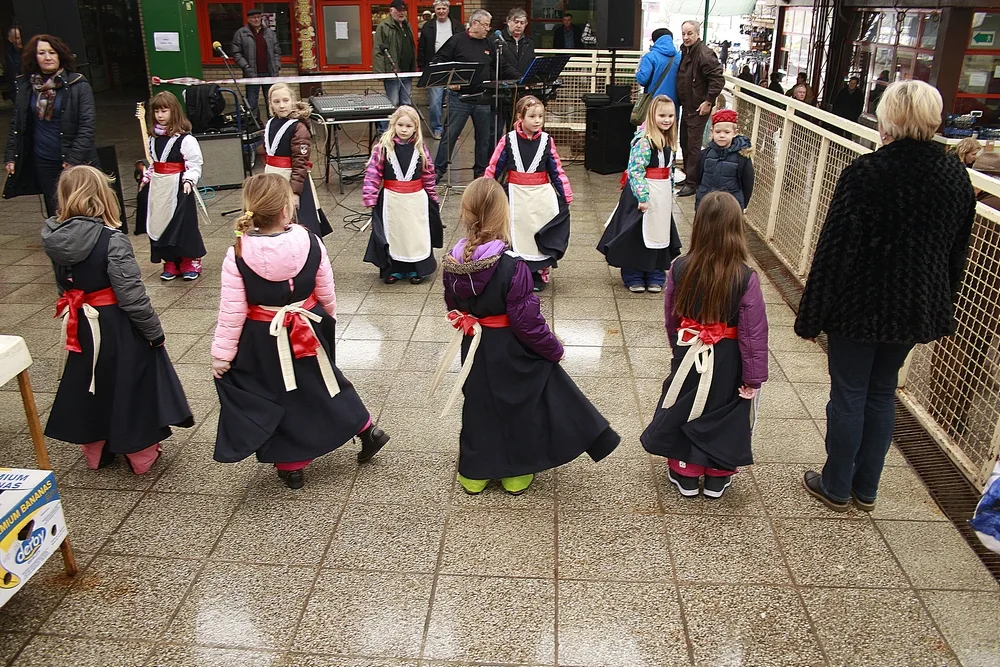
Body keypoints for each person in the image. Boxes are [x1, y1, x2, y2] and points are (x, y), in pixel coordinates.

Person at [795, 80, 976, 512]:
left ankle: (836, 484)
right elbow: (957, 251)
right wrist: (941, 302)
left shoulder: (867, 173)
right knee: (881, 392)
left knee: (849, 392)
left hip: (859, 307)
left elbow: (834, 251)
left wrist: (812, 314)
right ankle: (867, 487)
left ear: (888, 119)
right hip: (914, 307)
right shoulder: (955, 175)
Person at [434, 178, 620, 495]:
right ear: (501, 216)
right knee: (518, 403)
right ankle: (515, 472)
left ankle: (475, 473)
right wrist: (553, 349)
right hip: (509, 348)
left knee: (478, 403)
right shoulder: (512, 266)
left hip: (474, 346)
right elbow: (527, 322)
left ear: (466, 215)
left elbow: (452, 305)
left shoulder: (453, 263)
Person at [212, 174, 391, 490]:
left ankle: (292, 464)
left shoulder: (238, 253)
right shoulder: (311, 241)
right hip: (309, 325)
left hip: (263, 335)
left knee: (278, 393)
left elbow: (232, 311)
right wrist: (326, 321)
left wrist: (222, 355)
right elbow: (326, 290)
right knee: (327, 381)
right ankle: (367, 429)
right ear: (286, 210)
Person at [42, 166, 193, 475]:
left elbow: (64, 287)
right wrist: (153, 331)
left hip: (82, 324)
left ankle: (96, 451)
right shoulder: (111, 239)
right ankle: (140, 454)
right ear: (102, 198)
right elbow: (131, 295)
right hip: (117, 325)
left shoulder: (54, 238)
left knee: (88, 383)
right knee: (130, 383)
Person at [641, 191, 768, 498]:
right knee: (724, 410)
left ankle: (686, 470)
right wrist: (753, 377)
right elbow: (754, 332)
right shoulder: (745, 276)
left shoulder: (681, 267)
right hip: (729, 357)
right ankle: (717, 475)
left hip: (689, 351)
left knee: (686, 405)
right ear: (736, 229)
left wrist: (678, 347)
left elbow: (672, 316)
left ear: (698, 227)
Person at [4, 34, 98, 217]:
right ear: (34, 57)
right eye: (41, 53)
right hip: (43, 159)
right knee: (55, 208)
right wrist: (11, 155)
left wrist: (73, 159)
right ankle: (61, 242)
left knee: (81, 207)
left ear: (60, 55)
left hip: (73, 159)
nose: (47, 57)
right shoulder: (26, 86)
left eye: (52, 52)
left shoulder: (78, 84)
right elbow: (18, 123)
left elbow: (87, 125)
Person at [485, 95, 572, 292]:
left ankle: (538, 272)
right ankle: (516, 272)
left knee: (537, 232)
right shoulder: (508, 140)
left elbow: (556, 170)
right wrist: (486, 189)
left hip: (540, 195)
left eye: (540, 116)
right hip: (516, 194)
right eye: (532, 116)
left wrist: (565, 193)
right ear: (520, 117)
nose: (537, 120)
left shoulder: (547, 141)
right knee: (516, 233)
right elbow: (495, 166)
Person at [598, 95, 682, 292]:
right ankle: (633, 272)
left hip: (661, 195)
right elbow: (635, 170)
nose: (667, 119)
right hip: (642, 194)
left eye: (670, 115)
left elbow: (670, 170)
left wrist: (669, 193)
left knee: (660, 232)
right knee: (635, 233)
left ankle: (655, 271)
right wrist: (642, 197)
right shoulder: (644, 141)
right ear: (653, 116)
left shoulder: (669, 142)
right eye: (662, 115)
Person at [432, 9, 520, 181]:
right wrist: (449, 81)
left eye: (489, 25)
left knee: (484, 139)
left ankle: (481, 171)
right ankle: (438, 170)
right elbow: (438, 61)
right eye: (485, 24)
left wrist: (521, 78)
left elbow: (502, 66)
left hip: (483, 98)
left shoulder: (490, 44)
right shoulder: (456, 41)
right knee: (450, 136)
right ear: (474, 24)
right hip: (460, 99)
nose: (488, 28)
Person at [363, 105, 443, 284]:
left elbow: (428, 174)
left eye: (409, 126)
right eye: (400, 125)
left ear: (415, 127)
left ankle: (417, 269)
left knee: (415, 234)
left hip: (415, 200)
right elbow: (373, 173)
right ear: (393, 125)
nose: (404, 129)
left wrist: (432, 197)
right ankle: (396, 268)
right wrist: (370, 195)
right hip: (392, 199)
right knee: (395, 234)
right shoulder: (383, 147)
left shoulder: (420, 148)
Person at [134, 92, 206, 281]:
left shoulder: (185, 139)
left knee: (182, 225)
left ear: (173, 111)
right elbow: (154, 162)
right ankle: (170, 261)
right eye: (157, 111)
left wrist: (189, 179)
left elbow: (194, 162)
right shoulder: (153, 138)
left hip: (179, 186)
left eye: (164, 110)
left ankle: (190, 261)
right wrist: (147, 178)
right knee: (160, 223)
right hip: (159, 187)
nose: (160, 115)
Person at [264, 84, 332, 238]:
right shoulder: (271, 123)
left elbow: (300, 162)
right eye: (276, 102)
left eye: (285, 100)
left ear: (292, 101)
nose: (281, 105)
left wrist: (295, 192)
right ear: (271, 104)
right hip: (273, 178)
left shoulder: (298, 127)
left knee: (300, 222)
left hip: (292, 179)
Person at [676, 21, 725, 198]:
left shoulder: (704, 54)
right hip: (688, 106)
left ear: (697, 34)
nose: (686, 37)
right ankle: (690, 177)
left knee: (693, 145)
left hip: (697, 107)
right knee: (685, 143)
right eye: (683, 34)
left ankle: (692, 182)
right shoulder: (687, 51)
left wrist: (708, 101)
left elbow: (718, 79)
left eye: (689, 33)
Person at [417, 0, 462, 140]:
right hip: (435, 67)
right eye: (438, 8)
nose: (441, 11)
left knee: (453, 101)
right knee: (435, 101)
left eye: (443, 8)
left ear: (448, 9)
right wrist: (423, 67)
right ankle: (437, 128)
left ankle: (451, 129)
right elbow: (422, 48)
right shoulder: (427, 26)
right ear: (434, 10)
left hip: (453, 67)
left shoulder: (457, 26)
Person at [696, 108, 754, 211]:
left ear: (735, 133)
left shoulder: (742, 158)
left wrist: (742, 205)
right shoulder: (705, 154)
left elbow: (747, 183)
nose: (722, 135)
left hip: (730, 207)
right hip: (706, 204)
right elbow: (698, 179)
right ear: (712, 131)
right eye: (718, 132)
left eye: (727, 132)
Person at [373, 0, 416, 134]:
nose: (402, 12)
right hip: (392, 71)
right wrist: (380, 72)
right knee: (393, 102)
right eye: (398, 10)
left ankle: (403, 129)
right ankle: (384, 129)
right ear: (391, 11)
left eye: (403, 10)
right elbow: (378, 50)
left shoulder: (407, 26)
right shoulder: (384, 26)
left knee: (405, 102)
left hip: (407, 71)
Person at [231, 8, 281, 121]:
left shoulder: (269, 32)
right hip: (252, 73)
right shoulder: (241, 33)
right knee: (252, 102)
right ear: (248, 19)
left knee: (271, 100)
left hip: (270, 72)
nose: (256, 19)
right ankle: (254, 125)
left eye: (258, 17)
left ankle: (273, 123)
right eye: (253, 18)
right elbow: (236, 53)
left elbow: (277, 51)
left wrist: (277, 65)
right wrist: (245, 66)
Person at [635, 28, 681, 105]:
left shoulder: (650, 57)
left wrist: (637, 73)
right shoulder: (679, 57)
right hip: (673, 102)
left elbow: (643, 80)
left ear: (654, 41)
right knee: (671, 117)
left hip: (654, 102)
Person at [499, 8, 535, 77]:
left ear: (526, 24)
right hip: (504, 84)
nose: (519, 26)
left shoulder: (529, 42)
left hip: (524, 84)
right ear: (508, 22)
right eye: (516, 22)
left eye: (522, 23)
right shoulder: (498, 40)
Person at [4, 27, 21, 107]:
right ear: (10, 39)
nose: (20, 40)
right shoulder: (9, 53)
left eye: (21, 37)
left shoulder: (29, 51)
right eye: (17, 38)